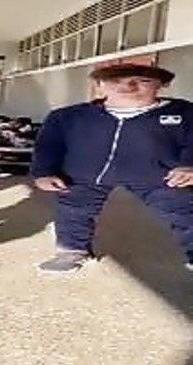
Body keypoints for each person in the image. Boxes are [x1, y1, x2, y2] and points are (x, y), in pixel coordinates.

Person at [31, 63, 193, 273]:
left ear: (161, 84)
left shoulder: (185, 112)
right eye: (115, 81)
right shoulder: (67, 117)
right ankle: (71, 251)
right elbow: (48, 146)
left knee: (184, 210)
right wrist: (43, 173)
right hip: (86, 175)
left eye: (143, 81)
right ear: (99, 85)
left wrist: (189, 166)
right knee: (73, 210)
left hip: (160, 176)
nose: (128, 86)